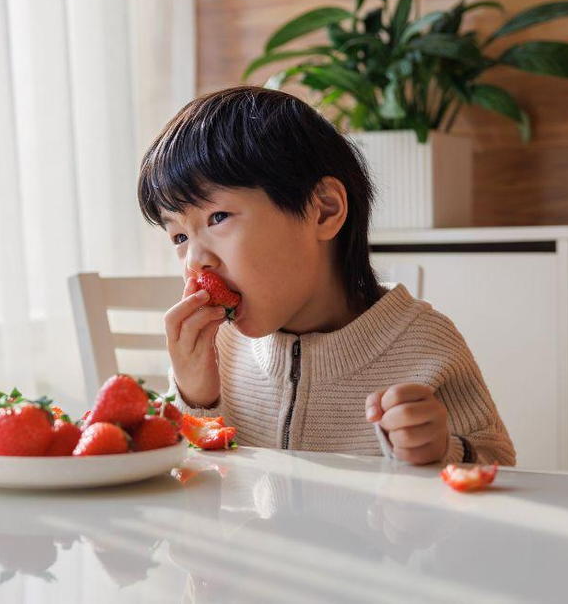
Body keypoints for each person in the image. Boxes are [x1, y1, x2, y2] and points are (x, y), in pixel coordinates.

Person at [138, 86, 515, 465]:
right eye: (180, 236)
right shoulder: (218, 349)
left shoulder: (426, 345)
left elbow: (499, 465)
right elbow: (196, 491)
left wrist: (443, 451)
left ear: (323, 210)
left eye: (217, 217)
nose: (194, 262)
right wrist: (197, 398)